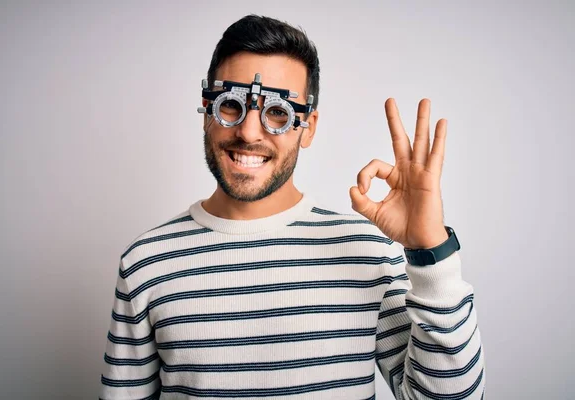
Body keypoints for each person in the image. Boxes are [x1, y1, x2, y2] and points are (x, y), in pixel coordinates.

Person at [98, 14, 486, 400]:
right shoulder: (146, 263)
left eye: (278, 112)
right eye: (231, 105)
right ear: (207, 109)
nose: (249, 132)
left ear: (309, 127)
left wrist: (431, 249)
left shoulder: (368, 252)